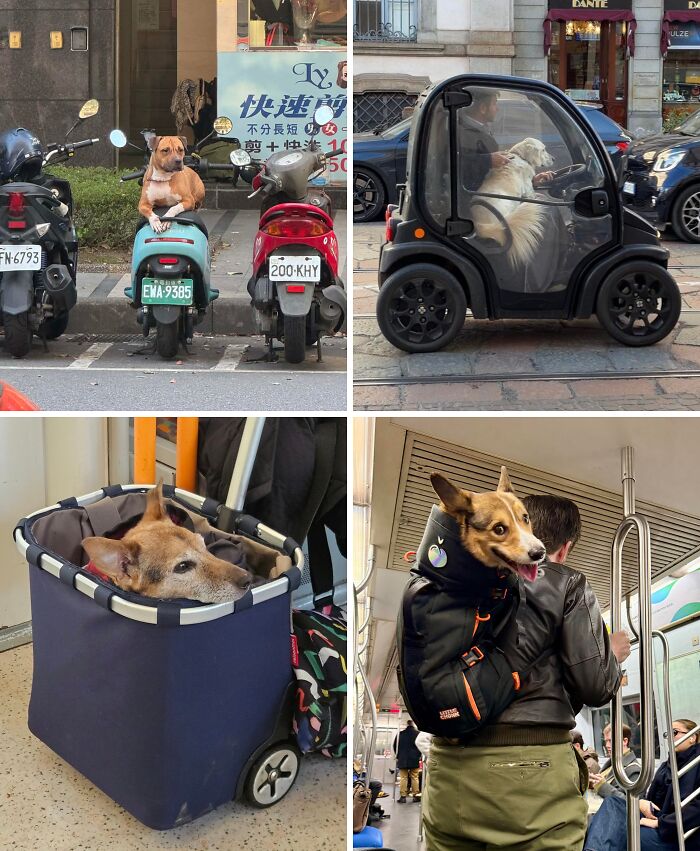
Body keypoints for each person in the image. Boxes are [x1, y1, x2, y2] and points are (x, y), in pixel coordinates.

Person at [422, 493, 630, 851]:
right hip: (531, 775)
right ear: (564, 549)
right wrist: (610, 655)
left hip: (447, 771)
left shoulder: (453, 578)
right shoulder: (567, 583)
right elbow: (595, 687)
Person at [584, 718, 700, 850]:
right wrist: (643, 803)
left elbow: (696, 809)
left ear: (692, 737)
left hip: (675, 832)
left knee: (624, 833)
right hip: (658, 816)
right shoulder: (666, 766)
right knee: (613, 803)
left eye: (674, 732)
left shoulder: (695, 764)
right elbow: (652, 799)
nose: (669, 738)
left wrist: (660, 823)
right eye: (667, 734)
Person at [589, 723, 641, 800]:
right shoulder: (613, 763)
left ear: (624, 741)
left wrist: (602, 786)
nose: (607, 745)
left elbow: (632, 802)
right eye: (606, 741)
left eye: (610, 741)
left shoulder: (634, 770)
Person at [394, 719, 422, 803]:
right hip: (414, 759)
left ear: (407, 725)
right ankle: (415, 796)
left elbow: (395, 745)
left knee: (403, 778)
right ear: (413, 725)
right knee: (415, 777)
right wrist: (419, 756)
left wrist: (398, 755)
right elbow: (421, 745)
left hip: (402, 759)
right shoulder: (418, 734)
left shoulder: (400, 734)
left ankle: (403, 796)